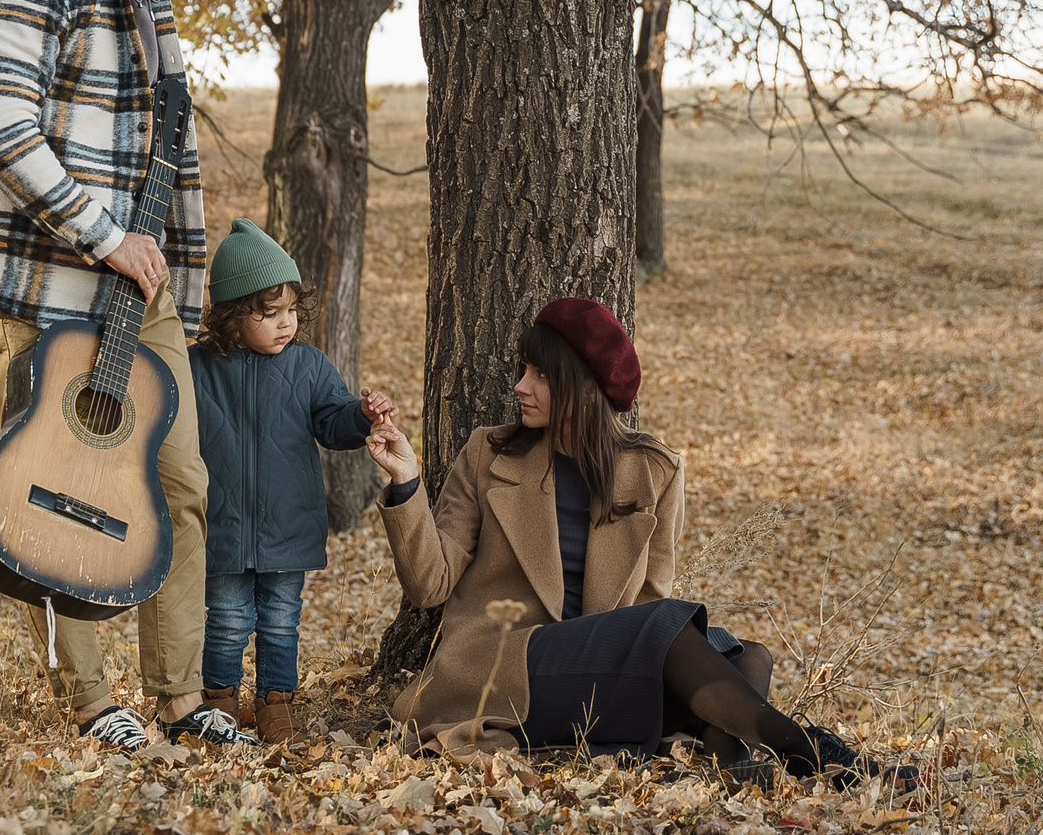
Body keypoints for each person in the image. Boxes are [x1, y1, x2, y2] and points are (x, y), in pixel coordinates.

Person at [0, 0, 256, 753]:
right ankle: (87, 699)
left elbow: (164, 152)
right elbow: (0, 128)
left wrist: (165, 271)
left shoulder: (149, 3)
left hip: (139, 287)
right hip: (46, 276)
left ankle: (181, 698)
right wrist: (105, 235)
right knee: (51, 487)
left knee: (182, 481)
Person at [364, 298, 904, 782]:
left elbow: (650, 599)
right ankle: (811, 752)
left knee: (748, 654)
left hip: (599, 673)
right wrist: (406, 482)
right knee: (671, 628)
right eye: (523, 370)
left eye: (540, 375)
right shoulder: (490, 454)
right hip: (506, 667)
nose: (520, 386)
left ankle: (732, 761)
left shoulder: (655, 470)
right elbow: (429, 585)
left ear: (583, 387)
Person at [191, 219, 387, 744]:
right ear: (233, 315)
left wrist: (362, 415)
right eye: (270, 312)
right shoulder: (197, 369)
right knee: (227, 620)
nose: (286, 323)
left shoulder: (309, 365)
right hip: (221, 526)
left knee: (281, 621)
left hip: (288, 526)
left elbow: (334, 421)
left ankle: (276, 707)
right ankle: (218, 707)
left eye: (292, 311)